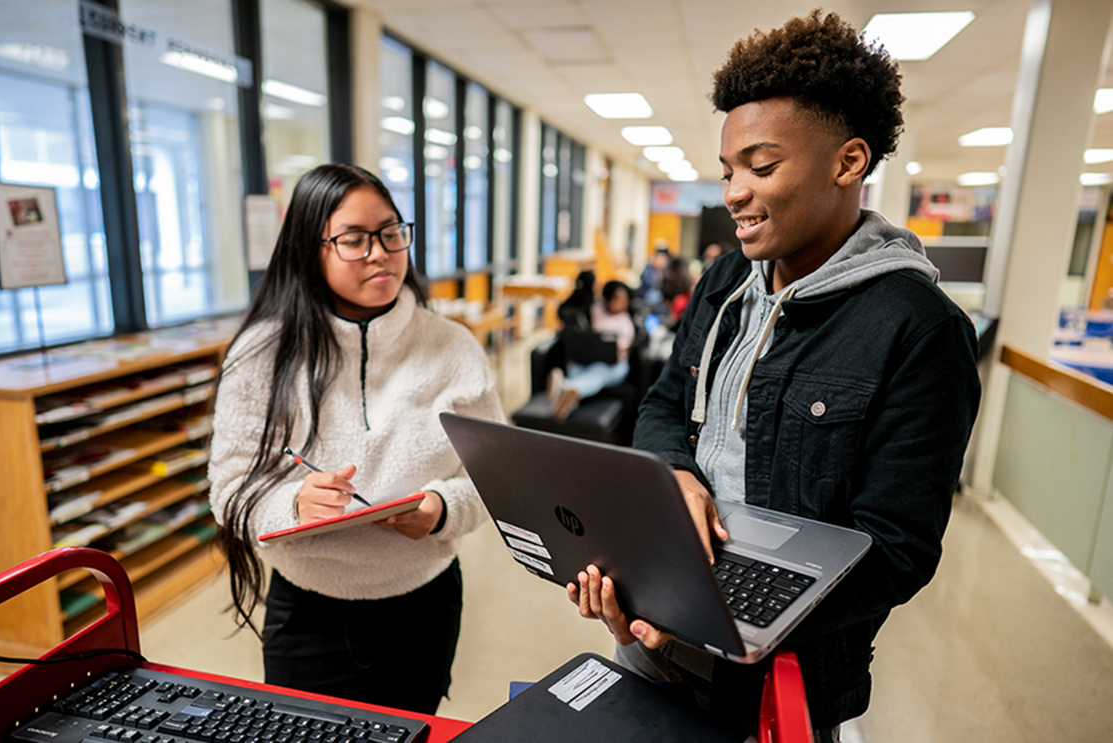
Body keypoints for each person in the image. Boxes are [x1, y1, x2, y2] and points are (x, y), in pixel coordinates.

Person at [567, 10, 981, 739]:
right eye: (728, 170)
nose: (732, 192)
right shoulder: (726, 278)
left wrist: (716, 605)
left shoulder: (918, 329)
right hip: (652, 640)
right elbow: (664, 400)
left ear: (847, 162)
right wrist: (674, 477)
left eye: (761, 166)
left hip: (783, 676)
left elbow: (898, 547)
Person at [208, 163, 503, 714]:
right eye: (353, 239)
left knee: (412, 728)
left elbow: (495, 475)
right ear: (308, 248)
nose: (380, 252)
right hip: (308, 611)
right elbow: (228, 489)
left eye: (392, 232)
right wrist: (291, 502)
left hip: (425, 603)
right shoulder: (261, 354)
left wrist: (443, 508)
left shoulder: (454, 347)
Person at [548, 280, 637, 420]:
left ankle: (566, 387)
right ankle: (567, 402)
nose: (621, 303)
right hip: (590, 359)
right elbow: (567, 310)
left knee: (599, 371)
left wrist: (618, 350)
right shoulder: (595, 310)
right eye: (616, 299)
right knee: (575, 364)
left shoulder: (626, 321)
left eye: (624, 300)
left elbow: (627, 349)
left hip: (614, 365)